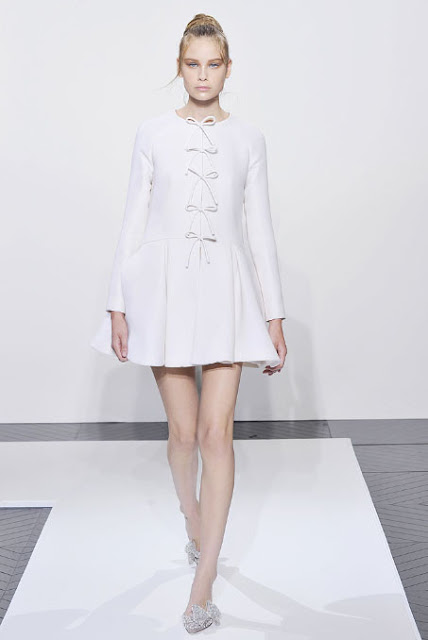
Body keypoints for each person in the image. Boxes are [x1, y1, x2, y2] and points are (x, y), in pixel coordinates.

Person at [90, 13, 287, 633]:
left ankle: (203, 584)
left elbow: (260, 229)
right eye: (192, 64)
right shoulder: (152, 133)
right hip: (164, 293)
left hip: (227, 292)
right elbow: (133, 217)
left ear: (228, 69)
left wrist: (274, 315)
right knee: (181, 436)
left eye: (213, 64)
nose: (203, 75)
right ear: (179, 67)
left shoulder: (250, 139)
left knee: (214, 436)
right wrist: (117, 303)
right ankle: (191, 517)